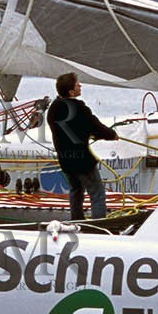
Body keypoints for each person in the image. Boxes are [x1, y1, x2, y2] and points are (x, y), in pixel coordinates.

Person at [45, 72, 118, 221]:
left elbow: (80, 128)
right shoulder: (79, 108)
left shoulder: (53, 108)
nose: (80, 85)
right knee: (97, 194)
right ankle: (98, 228)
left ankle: (76, 222)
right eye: (77, 84)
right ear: (71, 92)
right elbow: (95, 126)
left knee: (76, 190)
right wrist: (112, 135)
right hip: (82, 161)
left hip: (66, 160)